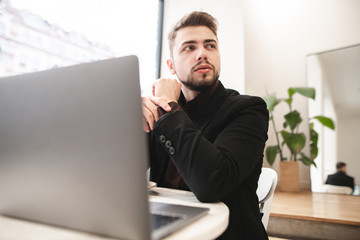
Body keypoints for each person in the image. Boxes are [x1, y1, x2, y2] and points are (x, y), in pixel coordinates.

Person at [142, 11, 269, 239]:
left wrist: (171, 107)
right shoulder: (161, 112)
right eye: (189, 47)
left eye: (210, 46)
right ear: (171, 66)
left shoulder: (248, 109)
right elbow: (121, 171)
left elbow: (211, 183)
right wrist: (136, 120)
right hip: (166, 227)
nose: (202, 53)